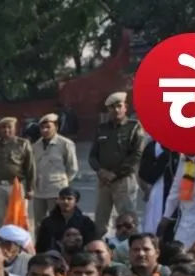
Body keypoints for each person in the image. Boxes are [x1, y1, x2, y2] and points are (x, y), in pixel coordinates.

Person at [88, 92, 145, 231]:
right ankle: (99, 249)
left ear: (125, 107)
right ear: (108, 110)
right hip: (104, 181)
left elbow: (136, 155)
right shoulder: (102, 128)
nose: (116, 110)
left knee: (127, 220)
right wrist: (100, 171)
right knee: (100, 221)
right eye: (112, 107)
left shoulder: (134, 127)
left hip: (124, 180)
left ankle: (131, 247)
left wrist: (115, 174)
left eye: (119, 106)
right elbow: (92, 156)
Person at [30, 113, 76, 223]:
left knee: (57, 221)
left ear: (56, 127)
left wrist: (63, 183)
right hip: (39, 191)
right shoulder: (35, 146)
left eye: (48, 127)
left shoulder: (65, 144)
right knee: (39, 223)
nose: (44, 130)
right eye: (42, 127)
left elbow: (72, 167)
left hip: (57, 191)